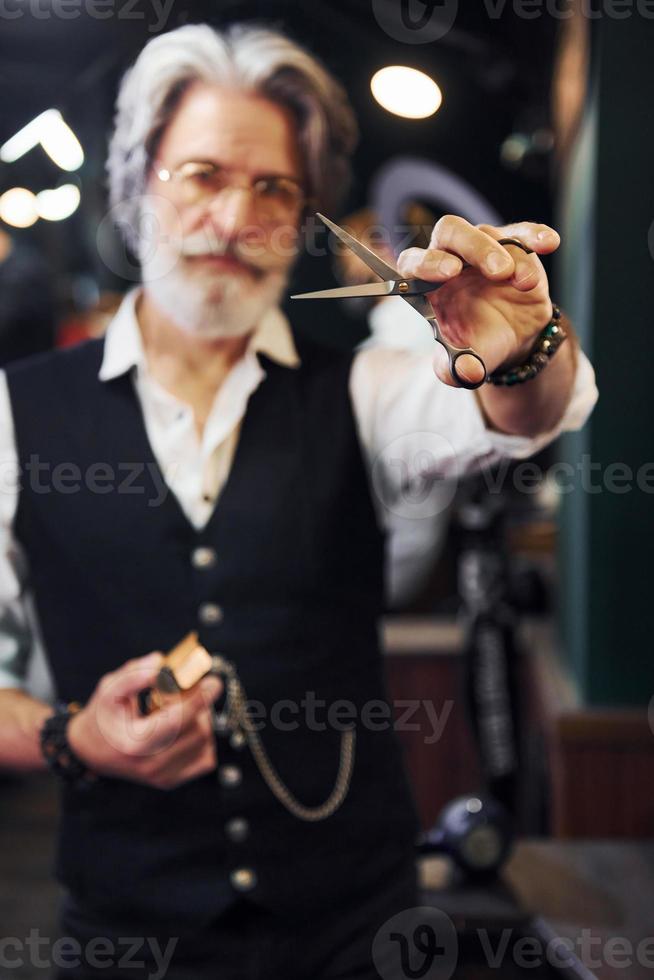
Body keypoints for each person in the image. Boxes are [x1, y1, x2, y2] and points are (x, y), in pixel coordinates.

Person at [0, 23, 597, 980]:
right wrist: (74, 738)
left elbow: (523, 414)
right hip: (123, 941)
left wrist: (521, 345)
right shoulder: (15, 414)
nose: (238, 217)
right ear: (139, 186)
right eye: (202, 174)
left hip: (358, 933)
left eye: (274, 187)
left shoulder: (363, 391)